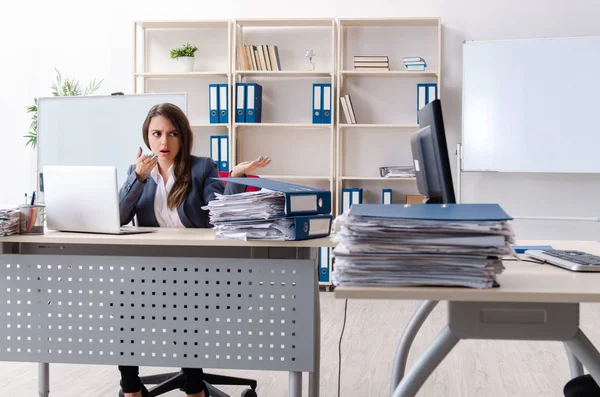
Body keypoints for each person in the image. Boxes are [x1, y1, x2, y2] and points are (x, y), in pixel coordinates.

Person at [118, 102, 270, 397]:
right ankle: (131, 387)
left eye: (172, 133)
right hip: (154, 269)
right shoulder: (139, 171)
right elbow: (120, 217)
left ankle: (194, 387)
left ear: (183, 137)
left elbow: (218, 212)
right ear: (147, 137)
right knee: (124, 303)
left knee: (182, 305)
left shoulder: (202, 167)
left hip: (200, 269)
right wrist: (136, 178)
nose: (164, 142)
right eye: (156, 134)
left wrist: (236, 176)